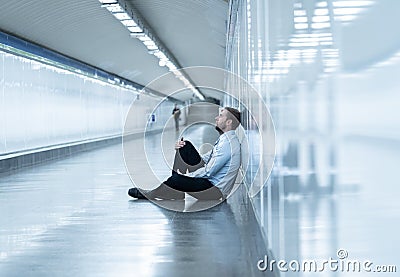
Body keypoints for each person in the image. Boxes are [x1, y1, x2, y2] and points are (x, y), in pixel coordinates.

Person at [128, 107, 241, 201]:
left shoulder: (228, 144)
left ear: (229, 122)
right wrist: (183, 153)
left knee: (176, 180)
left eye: (221, 116)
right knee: (185, 146)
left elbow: (209, 172)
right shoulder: (225, 139)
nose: (216, 118)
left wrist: (184, 177)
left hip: (213, 191)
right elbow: (207, 158)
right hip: (208, 183)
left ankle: (152, 194)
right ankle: (176, 192)